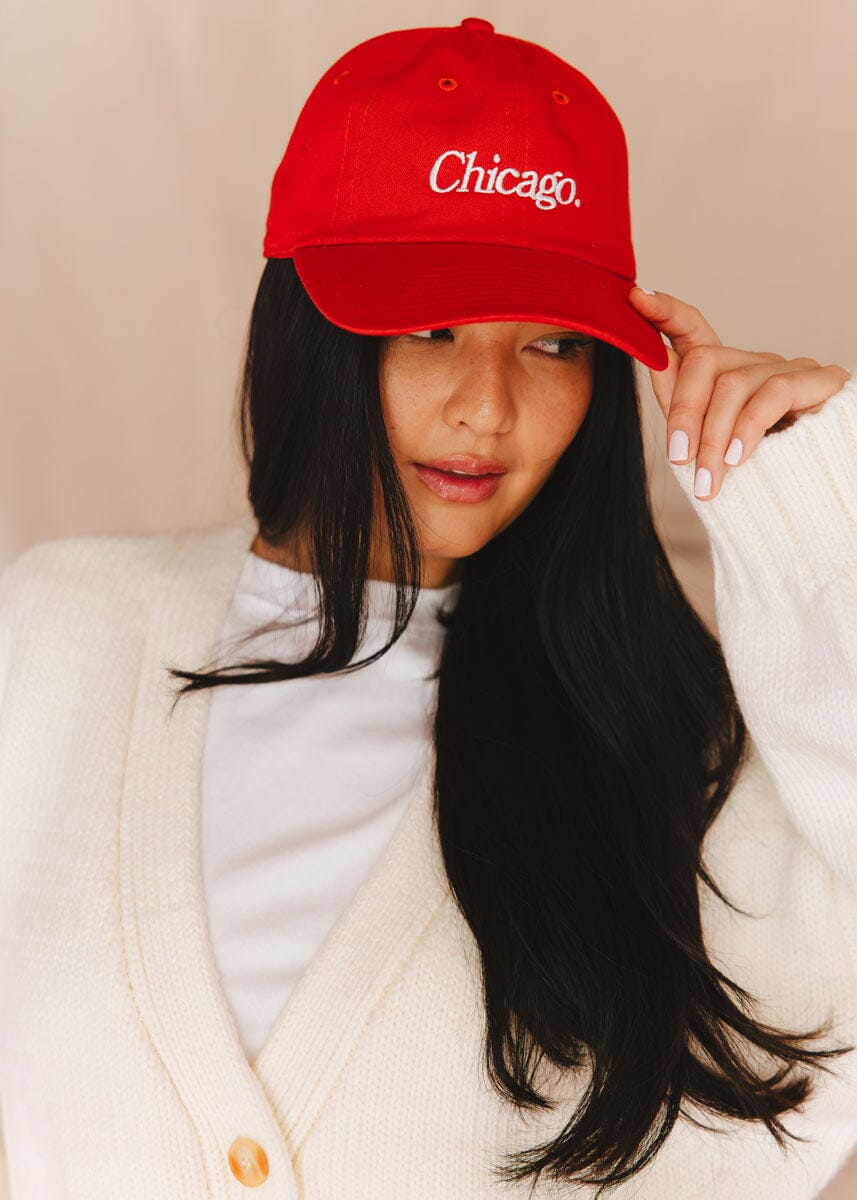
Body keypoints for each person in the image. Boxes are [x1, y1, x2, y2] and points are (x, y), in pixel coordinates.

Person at [1, 15, 856, 1200]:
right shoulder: (51, 633)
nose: (486, 407)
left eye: (551, 345)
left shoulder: (688, 747)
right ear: (305, 330)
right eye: (429, 326)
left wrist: (822, 516)